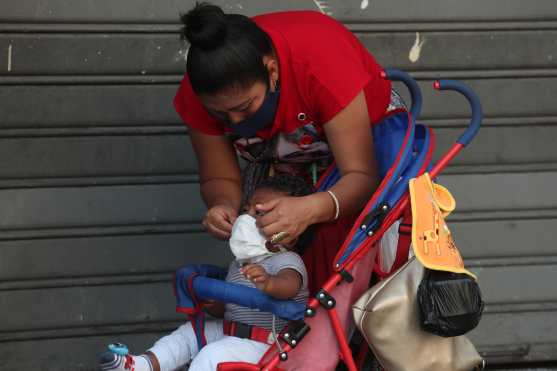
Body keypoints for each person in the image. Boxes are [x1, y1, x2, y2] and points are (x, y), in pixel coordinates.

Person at [174, 3, 406, 295]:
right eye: (221, 116)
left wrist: (311, 209)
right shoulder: (200, 94)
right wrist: (222, 206)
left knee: (358, 271)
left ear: (271, 71)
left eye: (244, 107)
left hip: (364, 153)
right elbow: (219, 178)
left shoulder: (321, 63)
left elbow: (362, 176)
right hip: (285, 164)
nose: (233, 122)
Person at [99, 174, 311, 371]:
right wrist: (217, 306)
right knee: (189, 334)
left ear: (289, 233)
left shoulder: (285, 259)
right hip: (232, 330)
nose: (246, 218)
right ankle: (143, 364)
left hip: (266, 342)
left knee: (213, 355)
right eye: (246, 211)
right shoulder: (240, 264)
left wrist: (270, 283)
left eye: (259, 214)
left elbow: (291, 285)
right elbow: (233, 309)